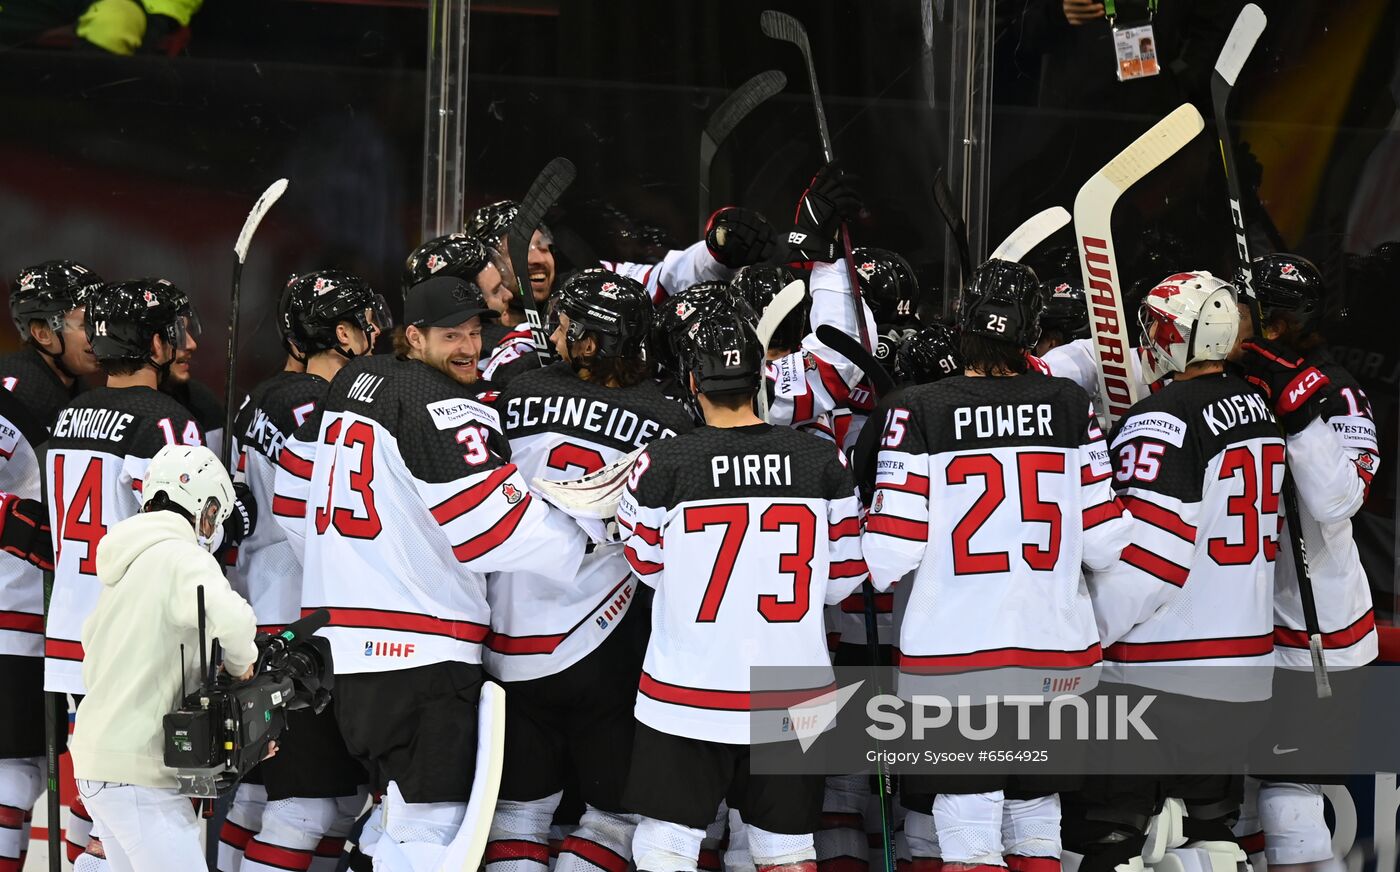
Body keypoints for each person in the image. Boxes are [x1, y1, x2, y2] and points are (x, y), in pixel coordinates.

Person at [297, 274, 595, 869]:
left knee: (386, 821)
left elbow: (289, 500)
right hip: (420, 661)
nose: (469, 347)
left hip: (345, 657)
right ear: (413, 336)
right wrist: (592, 535)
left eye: (474, 332)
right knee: (431, 840)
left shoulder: (352, 382)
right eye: (452, 335)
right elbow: (492, 530)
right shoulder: (441, 404)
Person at [862, 259, 1133, 872]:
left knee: (968, 820)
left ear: (964, 325)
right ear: (1029, 332)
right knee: (1036, 813)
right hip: (1056, 651)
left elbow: (890, 551)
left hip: (956, 655)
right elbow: (1106, 543)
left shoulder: (921, 408)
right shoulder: (1070, 404)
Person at [618, 312, 868, 872]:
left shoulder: (664, 461)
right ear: (759, 378)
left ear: (691, 383)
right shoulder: (821, 459)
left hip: (687, 692)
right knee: (786, 850)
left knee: (665, 846)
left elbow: (646, 565)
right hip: (794, 693)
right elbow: (845, 582)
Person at [1063, 271, 1283, 872]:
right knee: (1211, 834)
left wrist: (1082, 638)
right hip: (1243, 669)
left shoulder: (1162, 418)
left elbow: (1150, 561)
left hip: (1160, 676)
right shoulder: (1260, 408)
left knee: (1111, 836)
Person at [483, 269, 694, 872]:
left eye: (566, 324)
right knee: (614, 821)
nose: (555, 330)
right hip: (609, 642)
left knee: (517, 816)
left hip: (509, 640)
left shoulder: (512, 392)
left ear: (590, 340)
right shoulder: (671, 418)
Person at [45, 278, 254, 865]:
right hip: (132, 634)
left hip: (73, 629)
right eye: (177, 331)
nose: (186, 342)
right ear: (155, 342)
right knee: (135, 794)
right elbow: (186, 527)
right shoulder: (163, 422)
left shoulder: (70, 415)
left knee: (97, 800)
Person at [223, 270, 388, 872]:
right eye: (365, 325)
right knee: (306, 810)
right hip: (295, 624)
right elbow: (318, 522)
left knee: (289, 801)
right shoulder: (315, 405)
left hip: (262, 613)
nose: (376, 335)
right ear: (340, 333)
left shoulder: (258, 397)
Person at [1228, 254, 1379, 872]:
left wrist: (1294, 406)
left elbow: (1339, 500)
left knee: (1289, 800)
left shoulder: (1337, 392)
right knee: (1233, 813)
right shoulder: (1223, 388)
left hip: (1316, 634)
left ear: (1277, 324)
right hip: (1236, 629)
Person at [70, 444, 259, 872]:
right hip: (139, 771)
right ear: (204, 505)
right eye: (215, 515)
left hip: (98, 762)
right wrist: (240, 666)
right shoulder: (181, 555)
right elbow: (233, 620)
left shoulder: (126, 561)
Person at [0, 260, 102, 868]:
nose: (99, 332)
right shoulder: (20, 391)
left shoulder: (63, 392)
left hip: (36, 623)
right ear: (43, 333)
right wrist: (32, 533)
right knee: (15, 777)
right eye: (86, 321)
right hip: (10, 619)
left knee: (32, 774)